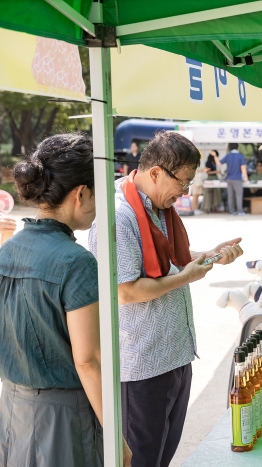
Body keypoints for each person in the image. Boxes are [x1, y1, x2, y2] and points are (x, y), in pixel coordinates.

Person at [88, 131, 244, 467]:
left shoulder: (158, 208)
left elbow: (172, 263)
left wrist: (212, 255)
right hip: (142, 366)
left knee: (161, 458)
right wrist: (186, 276)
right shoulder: (119, 216)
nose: (186, 192)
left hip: (175, 356)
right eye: (183, 182)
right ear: (156, 172)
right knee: (141, 460)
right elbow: (124, 291)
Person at [0, 134, 132, 467]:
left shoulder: (7, 251)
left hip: (12, 409)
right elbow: (89, 361)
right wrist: (117, 438)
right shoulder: (76, 261)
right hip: (64, 418)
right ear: (81, 193)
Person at [219, 143, 248, 215]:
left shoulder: (228, 156)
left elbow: (219, 163)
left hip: (229, 179)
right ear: (237, 147)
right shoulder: (240, 156)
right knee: (238, 195)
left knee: (230, 196)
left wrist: (215, 156)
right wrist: (246, 177)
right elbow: (243, 167)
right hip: (237, 178)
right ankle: (240, 211)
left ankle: (231, 211)